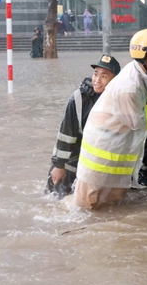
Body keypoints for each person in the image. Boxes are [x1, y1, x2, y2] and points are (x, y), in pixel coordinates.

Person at [73, 29, 147, 210]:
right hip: (99, 157)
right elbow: (138, 122)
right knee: (86, 207)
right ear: (143, 58)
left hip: (118, 154)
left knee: (114, 206)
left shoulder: (144, 73)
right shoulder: (128, 87)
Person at [45, 54, 121, 198]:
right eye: (95, 74)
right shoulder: (79, 98)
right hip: (71, 162)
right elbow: (66, 134)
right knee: (56, 200)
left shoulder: (120, 100)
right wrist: (59, 165)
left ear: (115, 80)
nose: (97, 80)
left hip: (98, 166)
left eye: (104, 76)